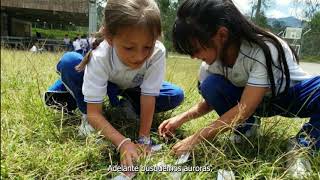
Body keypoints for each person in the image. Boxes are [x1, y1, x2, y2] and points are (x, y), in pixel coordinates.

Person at [158, 0, 319, 177]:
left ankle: (304, 144)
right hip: (254, 101)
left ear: (221, 34)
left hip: (291, 96)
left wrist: (195, 139)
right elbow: (209, 101)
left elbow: (244, 108)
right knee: (211, 85)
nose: (194, 57)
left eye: (195, 49)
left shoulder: (262, 50)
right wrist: (180, 119)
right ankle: (246, 129)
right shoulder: (211, 64)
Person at [44, 0, 184, 170]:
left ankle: (127, 104)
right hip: (104, 82)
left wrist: (143, 138)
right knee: (70, 62)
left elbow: (149, 96)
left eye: (147, 46)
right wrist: (122, 142)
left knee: (174, 94)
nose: (139, 57)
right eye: (129, 48)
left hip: (130, 85)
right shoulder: (100, 56)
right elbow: (94, 113)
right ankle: (81, 106)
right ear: (110, 38)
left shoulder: (157, 52)